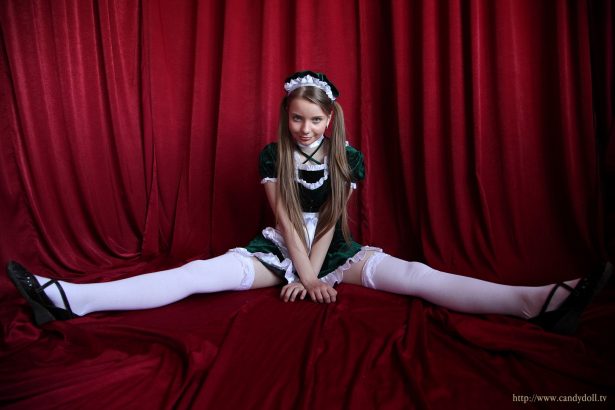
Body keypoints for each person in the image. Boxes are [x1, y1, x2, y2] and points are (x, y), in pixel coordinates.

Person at [6, 70, 612, 335]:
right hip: (279, 249)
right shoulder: (274, 157)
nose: (305, 129)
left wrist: (316, 276)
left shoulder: (350, 158)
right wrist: (298, 273)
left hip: (333, 251)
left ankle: (541, 303)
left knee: (417, 276)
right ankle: (69, 299)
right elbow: (287, 218)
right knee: (195, 274)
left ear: (331, 119)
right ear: (286, 118)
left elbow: (330, 223)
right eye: (296, 118)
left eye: (315, 120)